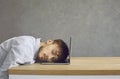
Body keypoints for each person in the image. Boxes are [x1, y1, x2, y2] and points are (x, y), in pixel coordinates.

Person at [0, 35, 69, 79]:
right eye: (53, 52)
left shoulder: (33, 47)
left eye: (52, 59)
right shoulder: (25, 48)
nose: (49, 57)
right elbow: (3, 73)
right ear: (49, 41)